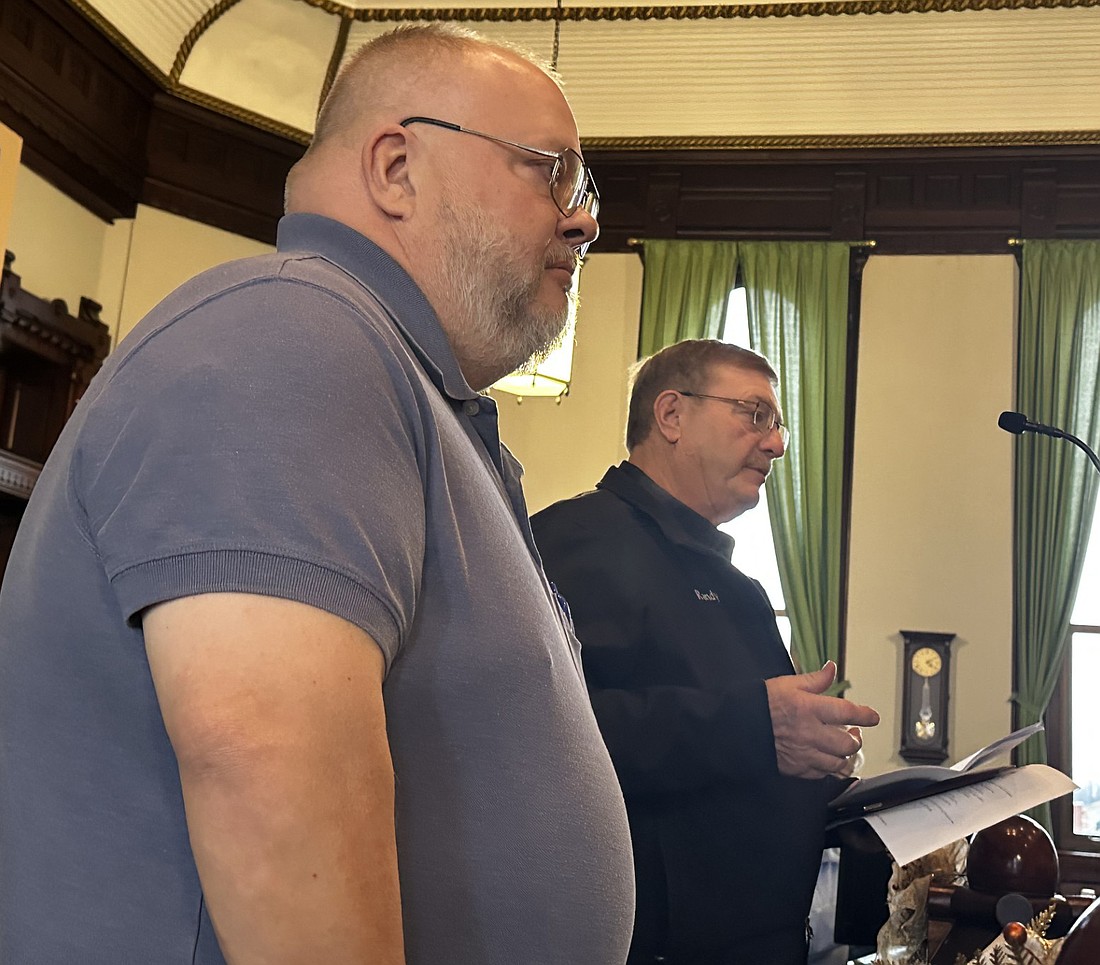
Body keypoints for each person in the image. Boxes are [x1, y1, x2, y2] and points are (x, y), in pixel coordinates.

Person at [0, 25, 634, 965]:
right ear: (396, 167)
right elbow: (259, 760)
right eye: (552, 173)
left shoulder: (389, 375)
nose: (583, 220)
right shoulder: (293, 327)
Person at [531, 338, 880, 965]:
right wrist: (759, 725)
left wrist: (824, 766)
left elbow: (748, 755)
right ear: (671, 415)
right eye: (754, 415)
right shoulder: (575, 540)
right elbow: (545, 736)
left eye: (779, 425)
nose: (774, 443)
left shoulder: (736, 584)